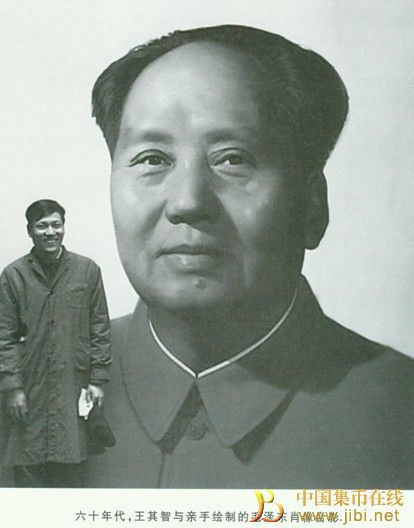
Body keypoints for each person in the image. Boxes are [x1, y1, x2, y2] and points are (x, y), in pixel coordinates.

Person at [86, 25, 413, 488]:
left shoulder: (399, 412)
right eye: (153, 159)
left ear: (312, 206)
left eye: (233, 158)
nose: (187, 202)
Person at [0, 199, 111, 487]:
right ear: (30, 231)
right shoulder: (13, 276)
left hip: (72, 385)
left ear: (64, 227)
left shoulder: (87, 271)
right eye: (42, 226)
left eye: (56, 225)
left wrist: (98, 379)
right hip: (29, 388)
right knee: (28, 469)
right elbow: (4, 336)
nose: (50, 232)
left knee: (71, 469)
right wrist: (12, 387)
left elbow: (100, 328)